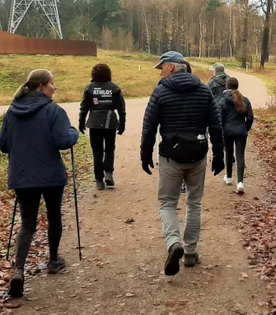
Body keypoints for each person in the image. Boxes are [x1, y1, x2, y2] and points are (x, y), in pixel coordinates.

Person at [0, 69, 80, 298]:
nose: (55, 88)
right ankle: (53, 260)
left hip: (22, 176)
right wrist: (74, 133)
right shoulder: (54, 111)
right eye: (53, 84)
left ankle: (19, 269)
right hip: (51, 175)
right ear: (42, 86)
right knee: (54, 216)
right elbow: (63, 141)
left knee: (28, 223)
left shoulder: (12, 111)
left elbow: (2, 144)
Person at [140, 51, 224, 276]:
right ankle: (189, 252)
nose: (161, 72)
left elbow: (149, 127)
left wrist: (145, 154)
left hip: (171, 156)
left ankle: (173, 242)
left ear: (172, 67)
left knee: (168, 203)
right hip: (197, 154)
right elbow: (215, 125)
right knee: (194, 204)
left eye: (162, 68)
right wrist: (219, 154)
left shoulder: (161, 91)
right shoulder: (204, 90)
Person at [79, 63, 126, 191]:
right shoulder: (114, 88)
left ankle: (99, 180)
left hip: (94, 122)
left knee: (97, 151)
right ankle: (109, 173)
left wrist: (81, 122)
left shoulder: (90, 88)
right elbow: (121, 107)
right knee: (110, 149)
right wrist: (122, 123)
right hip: (110, 122)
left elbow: (84, 107)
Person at [219, 77, 254, 196]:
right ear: (237, 86)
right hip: (241, 131)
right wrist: (245, 127)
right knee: (240, 155)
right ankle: (240, 183)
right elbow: (250, 117)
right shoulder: (245, 100)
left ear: (227, 86)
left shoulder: (223, 100)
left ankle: (228, 177)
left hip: (228, 131)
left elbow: (220, 117)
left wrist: (222, 129)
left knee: (228, 153)